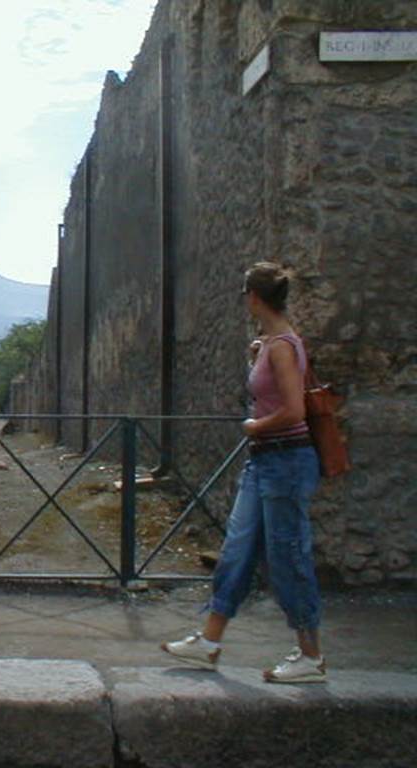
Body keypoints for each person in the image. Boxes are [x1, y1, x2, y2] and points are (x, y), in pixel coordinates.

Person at [161, 262, 325, 683]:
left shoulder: (284, 345)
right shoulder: (271, 344)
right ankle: (210, 643)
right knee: (235, 552)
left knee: (288, 557)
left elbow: (293, 411)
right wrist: (257, 359)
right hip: (265, 461)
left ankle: (311, 657)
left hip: (286, 461)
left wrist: (254, 426)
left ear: (254, 297)